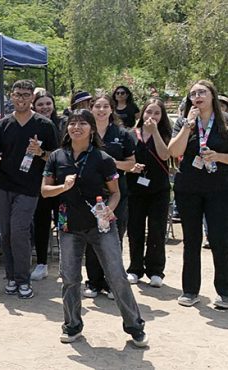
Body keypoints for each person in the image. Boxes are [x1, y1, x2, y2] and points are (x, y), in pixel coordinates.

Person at [41, 109, 148, 347]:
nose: (76, 127)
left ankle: (134, 326)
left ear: (91, 129)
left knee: (117, 275)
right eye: (72, 123)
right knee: (69, 277)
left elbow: (116, 192)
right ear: (66, 128)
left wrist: (110, 209)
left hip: (101, 225)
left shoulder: (103, 158)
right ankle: (72, 325)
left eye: (82, 123)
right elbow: (44, 191)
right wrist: (62, 188)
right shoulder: (56, 157)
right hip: (69, 225)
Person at [0, 80, 58, 299]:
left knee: (19, 232)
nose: (21, 99)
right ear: (11, 97)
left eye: (26, 95)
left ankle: (24, 280)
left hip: (29, 187)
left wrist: (40, 152)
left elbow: (56, 158)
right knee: (5, 233)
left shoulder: (44, 125)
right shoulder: (2, 124)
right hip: (5, 185)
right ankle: (11, 278)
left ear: (31, 99)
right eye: (17, 94)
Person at [167, 80, 228, 308]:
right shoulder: (185, 122)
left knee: (220, 239)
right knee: (191, 240)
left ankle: (224, 291)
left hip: (219, 189)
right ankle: (190, 290)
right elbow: (174, 151)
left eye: (201, 92)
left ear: (212, 95)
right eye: (193, 93)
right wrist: (187, 127)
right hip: (188, 189)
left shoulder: (225, 123)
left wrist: (219, 157)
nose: (197, 96)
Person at [84, 93, 136, 300]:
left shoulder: (122, 134)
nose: (102, 110)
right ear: (91, 108)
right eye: (98, 106)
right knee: (91, 238)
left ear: (112, 109)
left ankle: (111, 282)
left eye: (106, 106)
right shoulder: (84, 132)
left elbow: (131, 164)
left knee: (113, 239)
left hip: (116, 194)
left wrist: (110, 163)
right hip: (90, 194)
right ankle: (93, 282)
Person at [125, 98, 172, 288]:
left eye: (156, 113)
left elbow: (165, 155)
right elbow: (125, 160)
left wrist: (155, 134)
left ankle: (155, 270)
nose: (151, 116)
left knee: (156, 230)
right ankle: (135, 268)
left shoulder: (166, 133)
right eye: (149, 112)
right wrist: (131, 167)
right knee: (134, 228)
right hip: (135, 189)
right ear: (142, 113)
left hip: (158, 190)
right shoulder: (130, 134)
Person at [30, 91, 62, 280]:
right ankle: (42, 263)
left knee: (63, 223)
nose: (45, 107)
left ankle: (65, 264)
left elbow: (61, 156)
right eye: (40, 104)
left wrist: (42, 153)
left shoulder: (64, 124)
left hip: (62, 183)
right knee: (41, 223)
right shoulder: (32, 125)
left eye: (48, 103)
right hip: (39, 182)